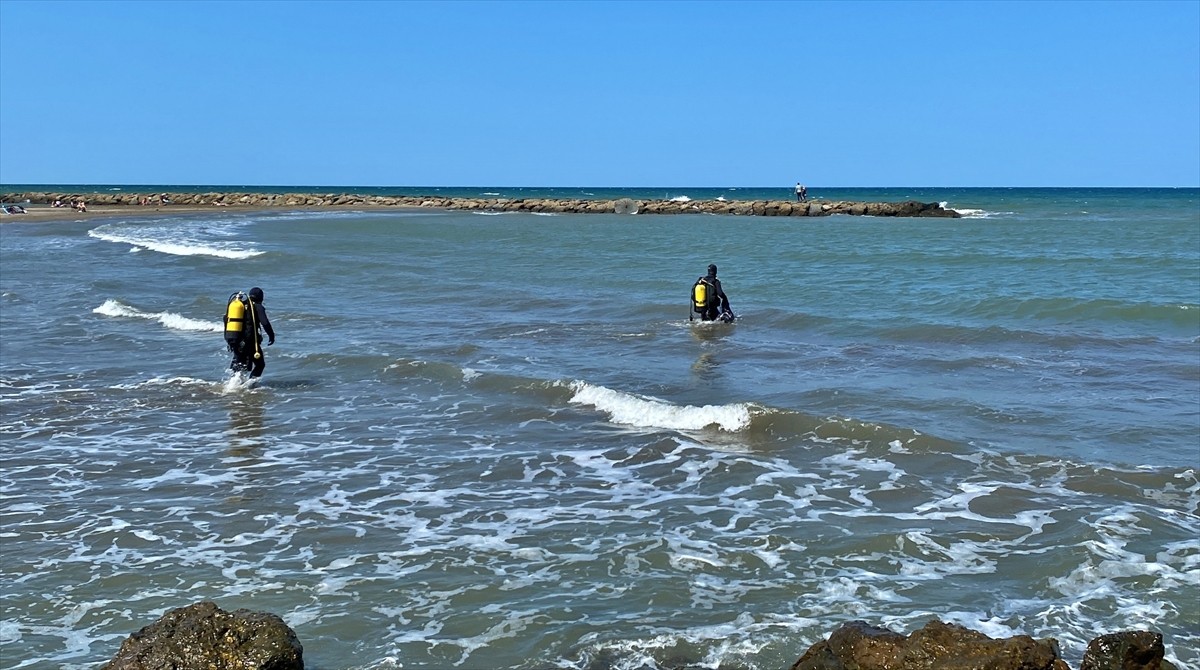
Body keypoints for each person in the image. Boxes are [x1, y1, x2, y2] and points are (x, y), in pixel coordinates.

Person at [224, 287, 276, 378]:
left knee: (238, 364)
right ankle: (250, 386)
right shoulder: (258, 307)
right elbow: (265, 322)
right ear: (261, 298)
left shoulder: (241, 305)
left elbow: (225, 319)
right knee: (260, 365)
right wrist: (271, 336)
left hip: (236, 339)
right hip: (249, 342)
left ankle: (232, 385)